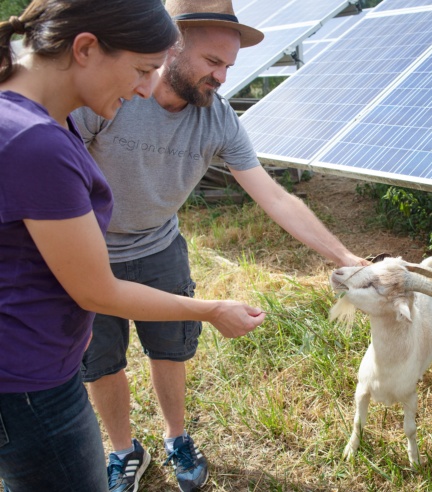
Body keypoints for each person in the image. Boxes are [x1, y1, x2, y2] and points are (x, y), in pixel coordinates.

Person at [71, 0, 369, 490]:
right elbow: (60, 176)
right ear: (171, 47)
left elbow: (273, 195)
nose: (222, 78)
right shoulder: (110, 98)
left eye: (228, 66)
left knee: (170, 351)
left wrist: (343, 256)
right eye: (212, 63)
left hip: (160, 247)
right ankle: (124, 450)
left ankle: (176, 437)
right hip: (89, 252)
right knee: (102, 363)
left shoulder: (219, 119)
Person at [0, 1, 268, 491]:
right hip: (29, 386)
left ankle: (173, 437)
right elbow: (97, 291)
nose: (147, 88)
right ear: (85, 49)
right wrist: (211, 309)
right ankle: (125, 450)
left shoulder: (25, 122)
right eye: (143, 70)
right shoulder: (37, 142)